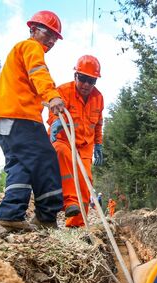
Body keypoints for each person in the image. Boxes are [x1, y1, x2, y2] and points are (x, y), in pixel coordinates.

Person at [0, 10, 65, 230]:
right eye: (47, 34)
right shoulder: (31, 47)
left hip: (4, 119)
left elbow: (29, 81)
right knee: (46, 159)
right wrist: (52, 96)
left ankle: (10, 214)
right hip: (20, 117)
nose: (51, 41)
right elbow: (39, 72)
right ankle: (46, 217)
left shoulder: (19, 51)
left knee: (21, 164)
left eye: (54, 37)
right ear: (33, 30)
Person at [48, 55, 105, 227]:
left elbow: (98, 123)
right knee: (61, 153)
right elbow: (51, 113)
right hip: (64, 140)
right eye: (83, 79)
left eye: (91, 80)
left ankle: (76, 224)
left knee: (85, 181)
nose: (87, 84)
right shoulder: (63, 91)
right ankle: (70, 201)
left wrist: (99, 143)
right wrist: (55, 122)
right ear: (76, 76)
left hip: (85, 145)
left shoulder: (98, 97)